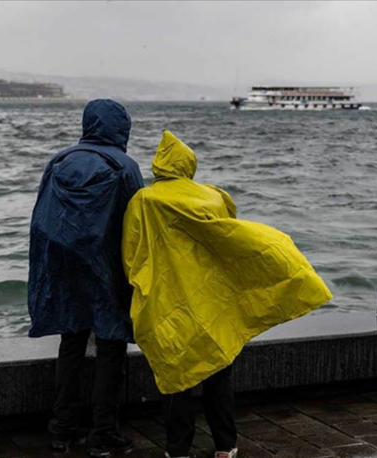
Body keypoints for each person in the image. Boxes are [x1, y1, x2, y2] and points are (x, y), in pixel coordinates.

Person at [122, 130, 332, 458]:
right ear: (189, 165)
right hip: (211, 301)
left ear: (158, 165)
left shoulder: (143, 201)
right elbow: (228, 240)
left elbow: (132, 254)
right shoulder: (213, 196)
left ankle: (178, 450)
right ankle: (225, 446)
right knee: (218, 372)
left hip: (168, 304)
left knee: (176, 377)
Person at [28, 99, 144, 457]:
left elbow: (40, 217)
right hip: (105, 268)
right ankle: (103, 434)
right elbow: (136, 224)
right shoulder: (124, 166)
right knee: (110, 348)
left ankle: (62, 429)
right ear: (121, 128)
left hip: (63, 267)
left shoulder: (59, 160)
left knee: (72, 342)